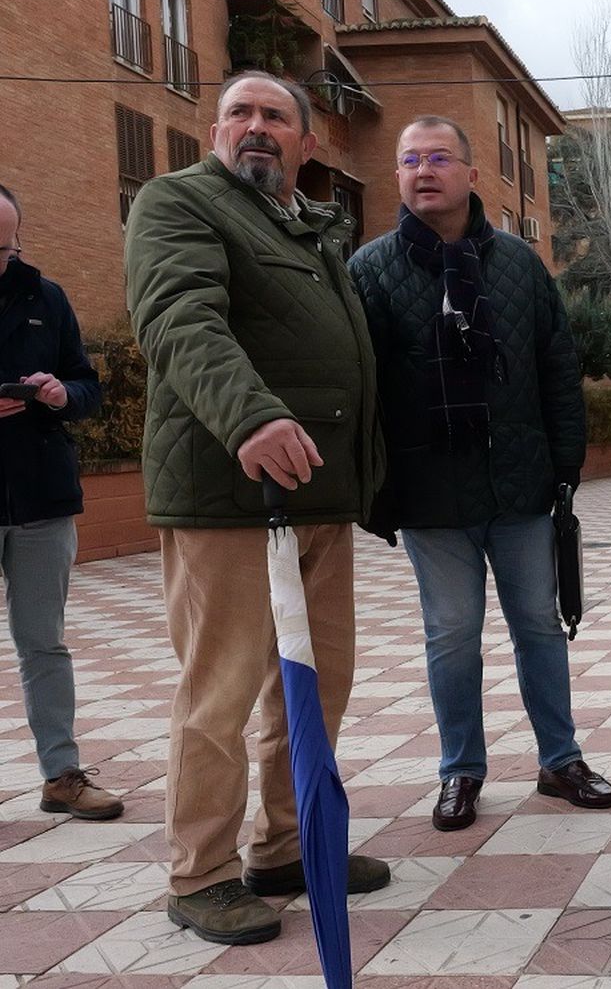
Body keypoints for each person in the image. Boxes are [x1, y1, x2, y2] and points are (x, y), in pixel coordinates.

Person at [125, 70, 390, 946]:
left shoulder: (308, 227)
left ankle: (283, 846)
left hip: (316, 495)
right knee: (222, 690)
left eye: (276, 116)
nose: (257, 126)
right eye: (240, 112)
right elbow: (180, 319)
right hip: (226, 494)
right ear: (214, 130)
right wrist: (252, 414)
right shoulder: (177, 202)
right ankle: (200, 872)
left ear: (306, 143)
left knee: (316, 686)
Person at [350, 116, 611, 830]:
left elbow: (556, 366)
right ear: (398, 177)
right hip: (430, 493)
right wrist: (371, 487)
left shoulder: (520, 265)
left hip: (519, 484)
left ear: (471, 174)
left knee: (538, 623)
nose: (423, 170)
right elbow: (360, 389)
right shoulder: (369, 269)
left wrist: (565, 464)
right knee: (452, 633)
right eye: (409, 160)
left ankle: (560, 760)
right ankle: (461, 770)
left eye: (439, 157)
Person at [0, 184, 123, 822]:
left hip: (41, 494)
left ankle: (62, 775)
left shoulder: (45, 298)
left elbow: (87, 385)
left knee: (43, 642)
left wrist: (57, 394)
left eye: (3, 244)